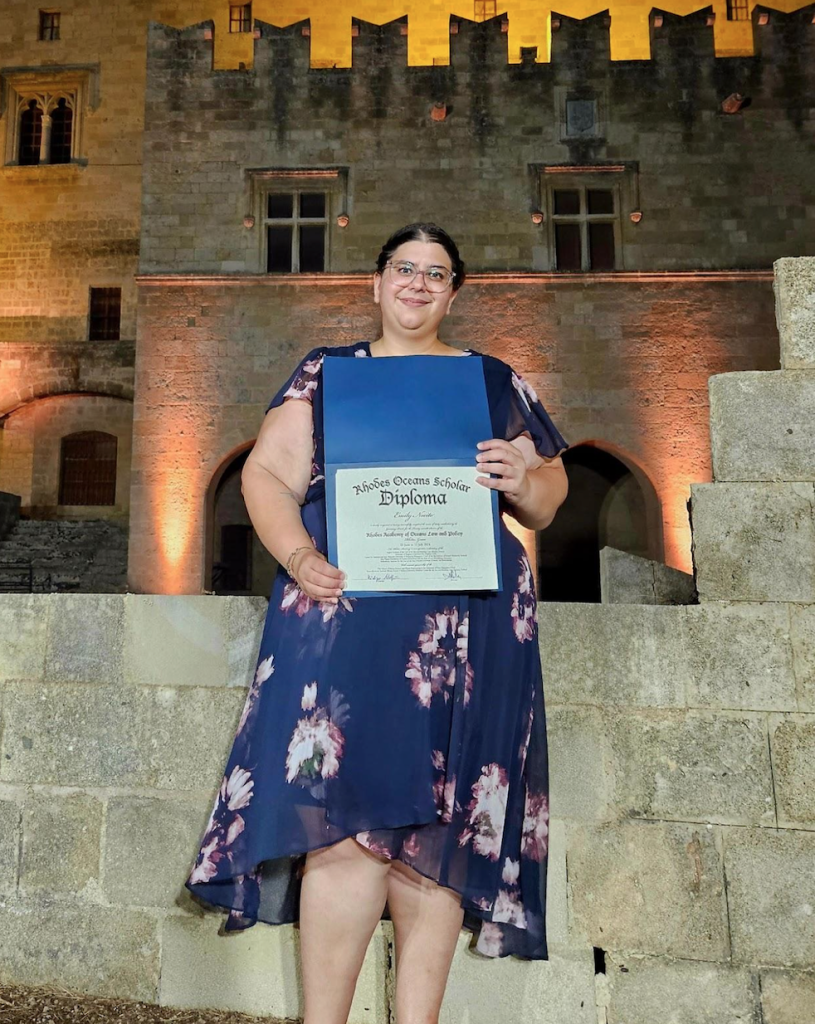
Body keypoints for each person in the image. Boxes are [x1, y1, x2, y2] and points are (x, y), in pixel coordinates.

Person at [186, 223, 569, 1024]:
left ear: (454, 291)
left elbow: (548, 498)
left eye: (436, 273)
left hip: (472, 626)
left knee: (442, 826)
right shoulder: (326, 374)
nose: (418, 284)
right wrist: (295, 557)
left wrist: (520, 476)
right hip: (347, 614)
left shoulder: (494, 381)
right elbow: (266, 475)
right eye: (405, 269)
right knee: (343, 823)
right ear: (376, 281)